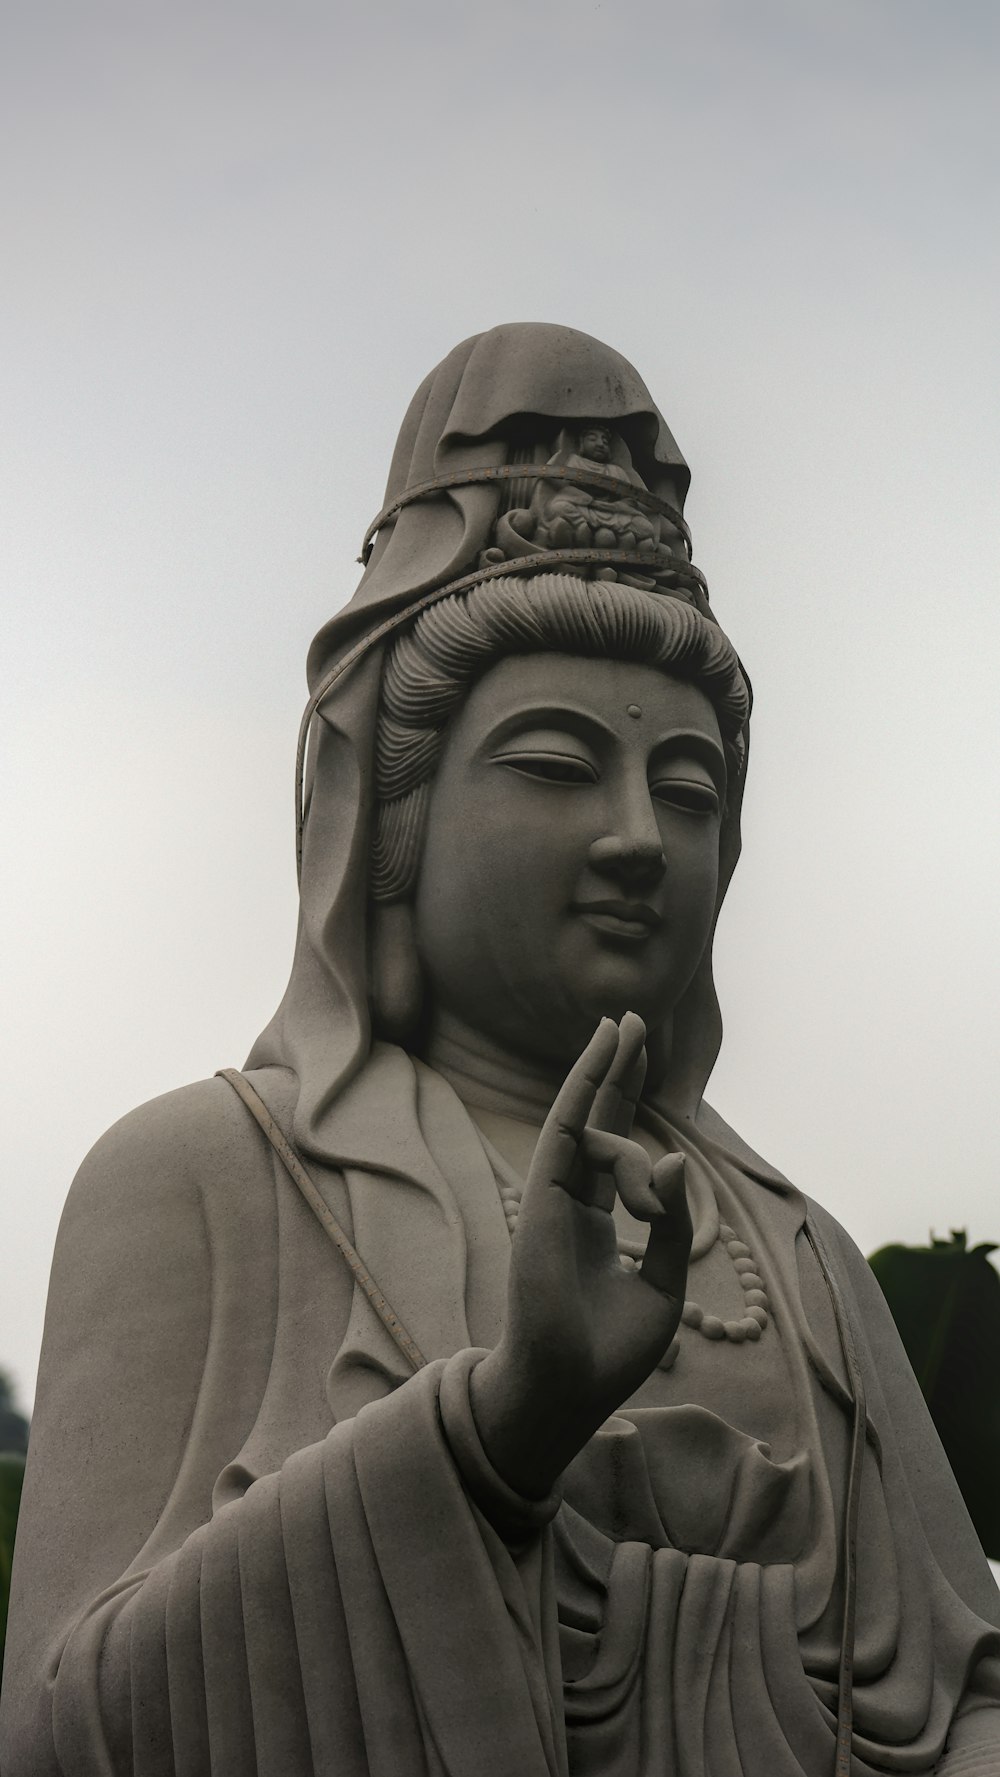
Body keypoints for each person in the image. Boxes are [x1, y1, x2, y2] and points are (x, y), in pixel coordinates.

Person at [3, 324, 999, 1776]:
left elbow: (960, 1694)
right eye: (552, 765)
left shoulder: (804, 1265)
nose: (637, 840)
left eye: (690, 785)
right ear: (393, 821)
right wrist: (496, 1430)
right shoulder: (209, 1177)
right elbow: (61, 1733)